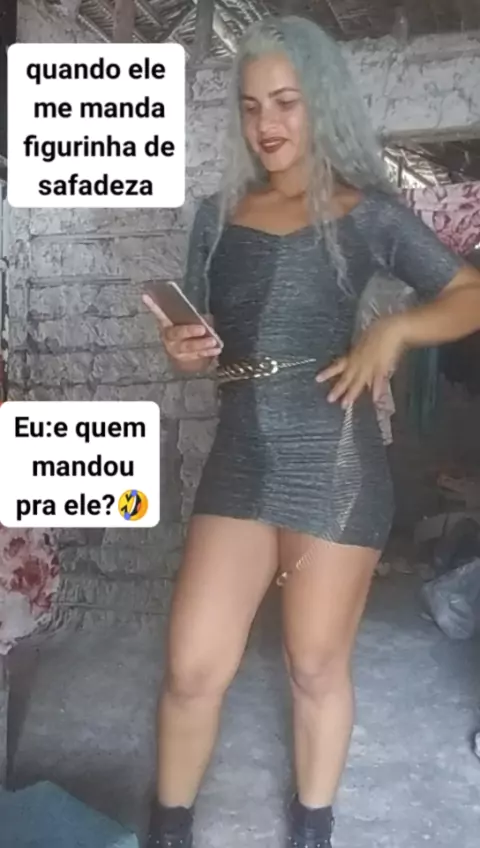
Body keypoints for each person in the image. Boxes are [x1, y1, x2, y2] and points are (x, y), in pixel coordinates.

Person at [143, 15, 480, 848]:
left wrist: (394, 330)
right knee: (190, 668)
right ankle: (169, 831)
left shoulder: (367, 213)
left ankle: (312, 828)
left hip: (334, 461)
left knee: (316, 665)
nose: (267, 123)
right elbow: (198, 342)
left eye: (286, 102)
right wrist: (183, 350)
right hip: (240, 457)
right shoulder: (216, 216)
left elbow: (468, 292)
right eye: (252, 105)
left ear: (321, 102)